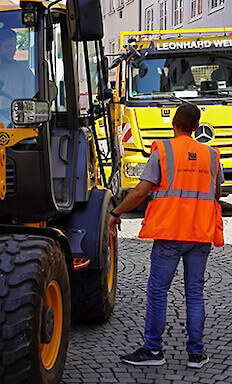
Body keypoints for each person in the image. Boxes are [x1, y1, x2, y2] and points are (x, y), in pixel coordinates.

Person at [109, 103, 224, 369]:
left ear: (174, 123)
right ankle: (196, 354)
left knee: (158, 291)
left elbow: (140, 192)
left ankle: (153, 350)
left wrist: (115, 212)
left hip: (171, 232)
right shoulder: (211, 154)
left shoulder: (164, 151)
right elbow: (216, 193)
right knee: (195, 292)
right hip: (200, 233)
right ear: (197, 127)